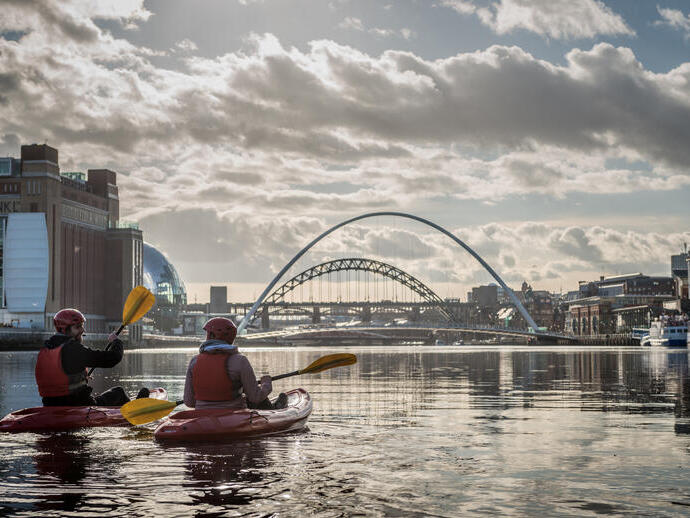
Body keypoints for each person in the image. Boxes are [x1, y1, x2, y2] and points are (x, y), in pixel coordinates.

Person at [35, 308, 149, 407]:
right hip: (78, 405)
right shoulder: (73, 350)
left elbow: (59, 376)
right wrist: (116, 341)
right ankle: (132, 413)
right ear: (64, 329)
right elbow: (113, 358)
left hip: (49, 406)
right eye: (78, 327)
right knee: (118, 392)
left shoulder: (45, 349)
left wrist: (80, 377)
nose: (82, 330)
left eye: (82, 326)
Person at [183, 317, 287, 410]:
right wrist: (266, 383)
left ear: (211, 335)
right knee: (258, 399)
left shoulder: (194, 361)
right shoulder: (240, 361)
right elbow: (255, 397)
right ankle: (276, 409)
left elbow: (189, 402)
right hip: (233, 414)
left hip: (202, 416)